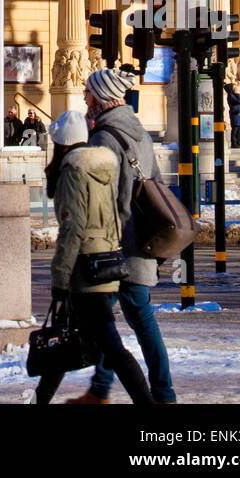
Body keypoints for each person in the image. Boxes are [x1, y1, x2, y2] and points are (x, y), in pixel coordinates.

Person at [66, 67, 177, 406]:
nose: (85, 99)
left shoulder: (104, 137)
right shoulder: (139, 132)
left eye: (88, 93)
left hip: (115, 249)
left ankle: (158, 394)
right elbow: (155, 181)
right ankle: (115, 391)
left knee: (119, 320)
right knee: (125, 321)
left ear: (101, 96)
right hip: (138, 244)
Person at [35, 109, 153, 406]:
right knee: (66, 339)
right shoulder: (100, 171)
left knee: (111, 346)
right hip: (102, 264)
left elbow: (71, 230)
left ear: (60, 143)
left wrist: (60, 276)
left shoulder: (72, 173)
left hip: (84, 270)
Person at [225, 83, 240, 148]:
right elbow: (239, 101)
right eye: (235, 88)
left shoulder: (233, 95)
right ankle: (234, 143)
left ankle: (238, 142)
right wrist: (237, 94)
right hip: (235, 113)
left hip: (238, 113)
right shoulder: (231, 95)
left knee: (238, 129)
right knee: (235, 129)